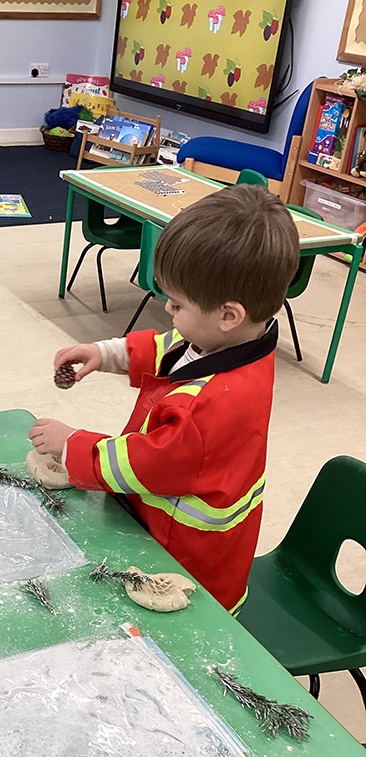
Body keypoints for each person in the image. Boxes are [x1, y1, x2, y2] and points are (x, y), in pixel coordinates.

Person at [29, 184, 300, 613]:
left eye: (176, 304)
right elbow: (169, 348)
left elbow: (149, 461)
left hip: (185, 557)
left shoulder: (213, 404)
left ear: (229, 315)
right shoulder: (237, 339)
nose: (168, 312)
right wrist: (104, 353)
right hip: (173, 530)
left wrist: (72, 444)